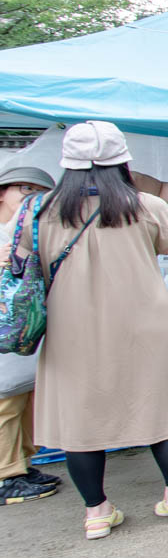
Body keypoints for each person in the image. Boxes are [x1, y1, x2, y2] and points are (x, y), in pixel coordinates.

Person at [34, 123, 168, 538]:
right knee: (161, 407)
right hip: (145, 320)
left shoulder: (40, 211)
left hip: (72, 326)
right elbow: (166, 246)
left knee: (80, 419)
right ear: (123, 160)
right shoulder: (146, 205)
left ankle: (96, 512)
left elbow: (25, 263)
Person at [0, 163, 58, 505]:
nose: (31, 197)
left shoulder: (29, 229)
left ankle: (21, 464)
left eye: (38, 192)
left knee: (23, 398)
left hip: (24, 329)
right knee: (6, 401)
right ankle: (6, 475)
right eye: (24, 189)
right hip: (6, 330)